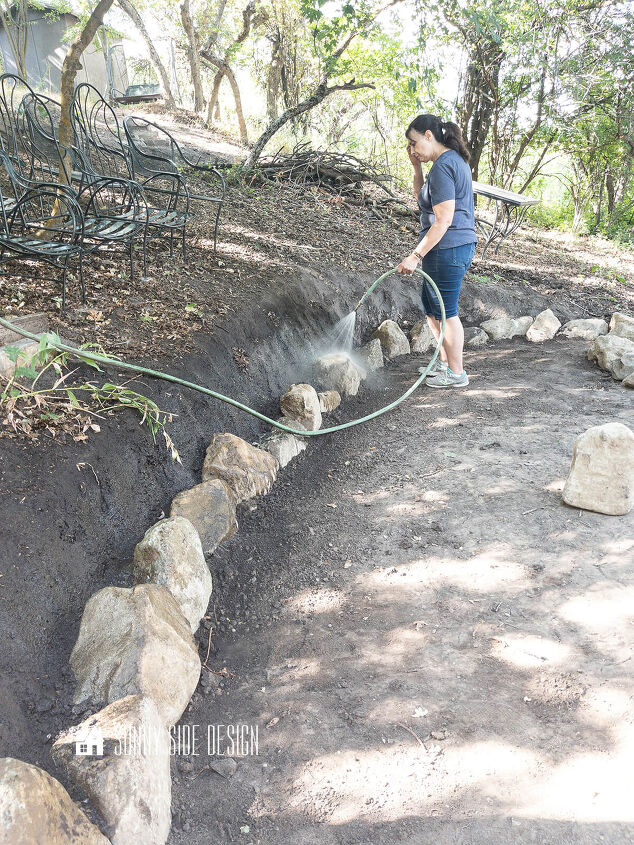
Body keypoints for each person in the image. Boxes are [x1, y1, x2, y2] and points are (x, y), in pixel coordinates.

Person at [397, 114, 477, 388]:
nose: (413, 149)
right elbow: (424, 202)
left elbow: (443, 220)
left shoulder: (445, 166)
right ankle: (444, 365)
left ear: (428, 135)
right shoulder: (450, 162)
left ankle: (456, 374)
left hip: (449, 246)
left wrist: (415, 255)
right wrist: (417, 169)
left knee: (447, 311)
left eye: (414, 142)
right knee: (432, 308)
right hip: (447, 247)